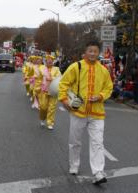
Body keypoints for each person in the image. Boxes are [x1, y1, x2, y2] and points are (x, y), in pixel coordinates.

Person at [58, 40, 113, 185]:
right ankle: (74, 165)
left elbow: (108, 88)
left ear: (98, 53)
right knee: (75, 142)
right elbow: (63, 84)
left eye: (95, 51)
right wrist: (65, 101)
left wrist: (100, 96)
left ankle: (98, 172)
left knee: (97, 142)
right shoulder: (76, 67)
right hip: (78, 112)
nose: (93, 53)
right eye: (90, 51)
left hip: (97, 113)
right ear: (85, 52)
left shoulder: (103, 70)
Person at [38, 55, 61, 129]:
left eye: (51, 61)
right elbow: (39, 79)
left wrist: (51, 78)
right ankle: (42, 118)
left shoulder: (56, 69)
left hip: (53, 91)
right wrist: (38, 87)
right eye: (48, 60)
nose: (50, 61)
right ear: (46, 61)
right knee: (43, 107)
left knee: (52, 107)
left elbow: (59, 78)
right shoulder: (42, 68)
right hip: (44, 90)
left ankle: (50, 123)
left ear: (53, 62)